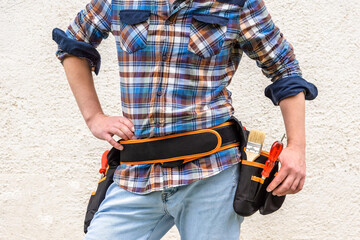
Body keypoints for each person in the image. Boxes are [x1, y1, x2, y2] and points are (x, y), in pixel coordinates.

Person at [52, 0, 317, 239]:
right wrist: (94, 117)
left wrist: (296, 148)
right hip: (137, 175)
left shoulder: (238, 3)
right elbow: (74, 44)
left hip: (211, 175)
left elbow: (285, 70)